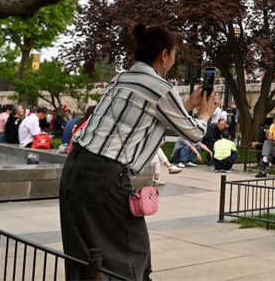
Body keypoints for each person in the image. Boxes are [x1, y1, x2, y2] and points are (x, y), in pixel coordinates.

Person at [59, 23, 215, 281]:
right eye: (173, 55)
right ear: (164, 55)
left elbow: (146, 118)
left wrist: (187, 105)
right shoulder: (161, 87)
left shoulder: (121, 78)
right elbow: (194, 133)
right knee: (131, 250)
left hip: (75, 166)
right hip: (106, 176)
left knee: (84, 252)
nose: (173, 61)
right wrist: (205, 114)